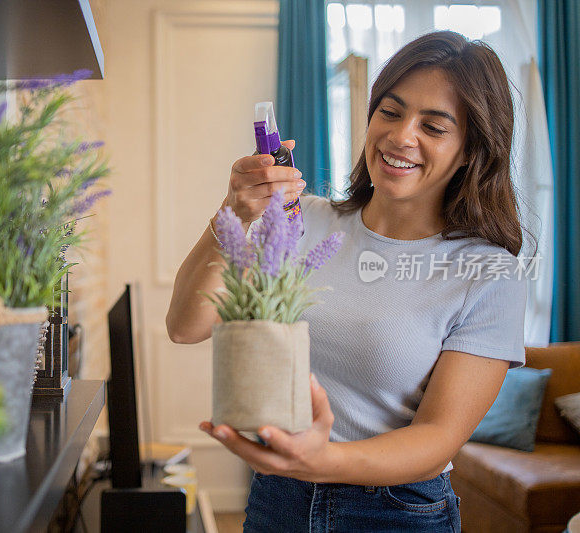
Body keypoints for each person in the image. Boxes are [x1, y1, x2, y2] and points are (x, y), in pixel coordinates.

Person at [165, 31, 534, 532]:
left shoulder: (488, 273)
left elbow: (437, 439)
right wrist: (236, 212)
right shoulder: (301, 221)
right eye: (390, 111)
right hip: (279, 501)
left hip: (397, 513)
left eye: (434, 125)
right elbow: (187, 325)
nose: (402, 136)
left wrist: (317, 462)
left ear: (471, 150)